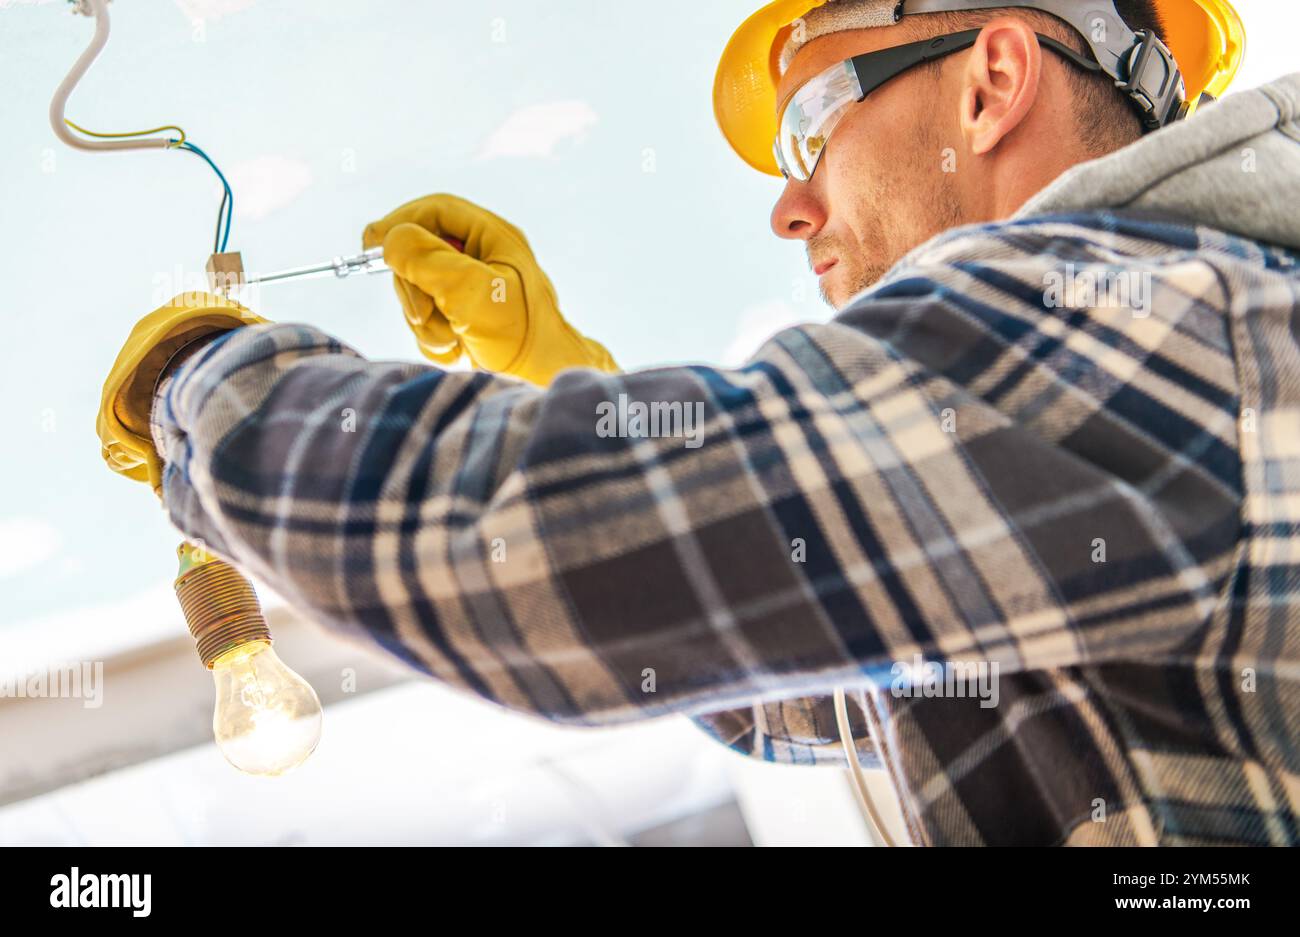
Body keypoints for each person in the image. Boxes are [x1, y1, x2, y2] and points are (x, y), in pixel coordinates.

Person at [99, 0, 1300, 845]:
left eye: (809, 126)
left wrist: (201, 381)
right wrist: (553, 372)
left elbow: (536, 569)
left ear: (989, 84)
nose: (789, 205)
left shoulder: (1135, 315)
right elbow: (772, 676)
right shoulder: (1164, 351)